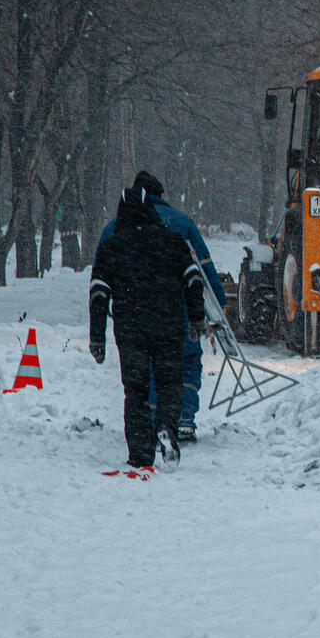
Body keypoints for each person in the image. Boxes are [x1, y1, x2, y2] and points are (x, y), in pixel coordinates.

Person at [96, 170, 228, 443]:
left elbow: (100, 277)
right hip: (178, 308)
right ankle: (184, 420)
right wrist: (218, 303)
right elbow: (202, 268)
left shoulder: (115, 227)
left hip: (133, 312)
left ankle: (153, 419)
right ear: (161, 194)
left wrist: (103, 315)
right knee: (186, 363)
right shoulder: (183, 224)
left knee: (146, 369)